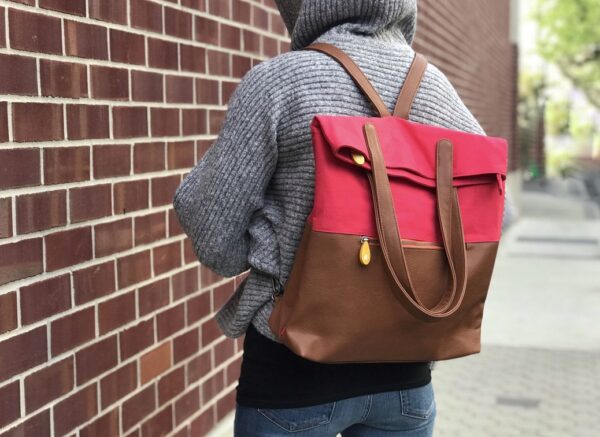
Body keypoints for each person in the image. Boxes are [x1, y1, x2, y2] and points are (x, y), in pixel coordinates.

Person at [173, 1, 514, 435]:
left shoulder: (279, 82)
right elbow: (492, 214)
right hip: (406, 381)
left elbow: (214, 238)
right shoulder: (437, 88)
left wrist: (277, 258)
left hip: (291, 376)